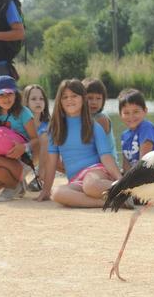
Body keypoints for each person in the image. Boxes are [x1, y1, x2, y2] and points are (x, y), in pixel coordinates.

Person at [37, 79, 124, 208]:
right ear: (59, 101)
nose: (69, 100)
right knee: (57, 193)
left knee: (90, 186)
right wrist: (46, 189)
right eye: (65, 97)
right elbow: (51, 162)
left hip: (96, 173)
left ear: (83, 99)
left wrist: (119, 179)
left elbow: (106, 157)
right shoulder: (55, 129)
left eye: (74, 96)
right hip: (76, 180)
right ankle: (106, 202)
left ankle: (125, 190)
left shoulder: (93, 126)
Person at [118, 88, 154, 173]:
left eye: (136, 111)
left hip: (151, 172)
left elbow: (144, 160)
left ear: (145, 111)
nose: (131, 116)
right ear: (120, 115)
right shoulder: (124, 135)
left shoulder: (146, 127)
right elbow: (126, 163)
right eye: (126, 113)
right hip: (136, 174)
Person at [83, 78, 119, 164]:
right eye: (90, 98)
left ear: (103, 100)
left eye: (98, 98)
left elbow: (92, 148)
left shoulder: (101, 119)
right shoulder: (82, 118)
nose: (94, 102)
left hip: (106, 166)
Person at [22, 84, 50, 192]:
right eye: (33, 99)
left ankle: (40, 178)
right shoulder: (23, 123)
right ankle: (21, 178)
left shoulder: (47, 123)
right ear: (26, 102)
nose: (38, 102)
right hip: (23, 158)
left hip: (41, 158)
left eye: (41, 99)